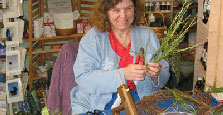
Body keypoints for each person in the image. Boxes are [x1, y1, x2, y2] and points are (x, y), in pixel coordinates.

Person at [70, 0, 170, 114]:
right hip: (98, 103)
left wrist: (156, 75)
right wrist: (123, 75)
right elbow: (83, 79)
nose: (123, 15)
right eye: (116, 10)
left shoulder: (147, 35)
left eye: (128, 8)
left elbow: (165, 75)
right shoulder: (93, 38)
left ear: (135, 9)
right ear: (105, 12)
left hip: (141, 102)